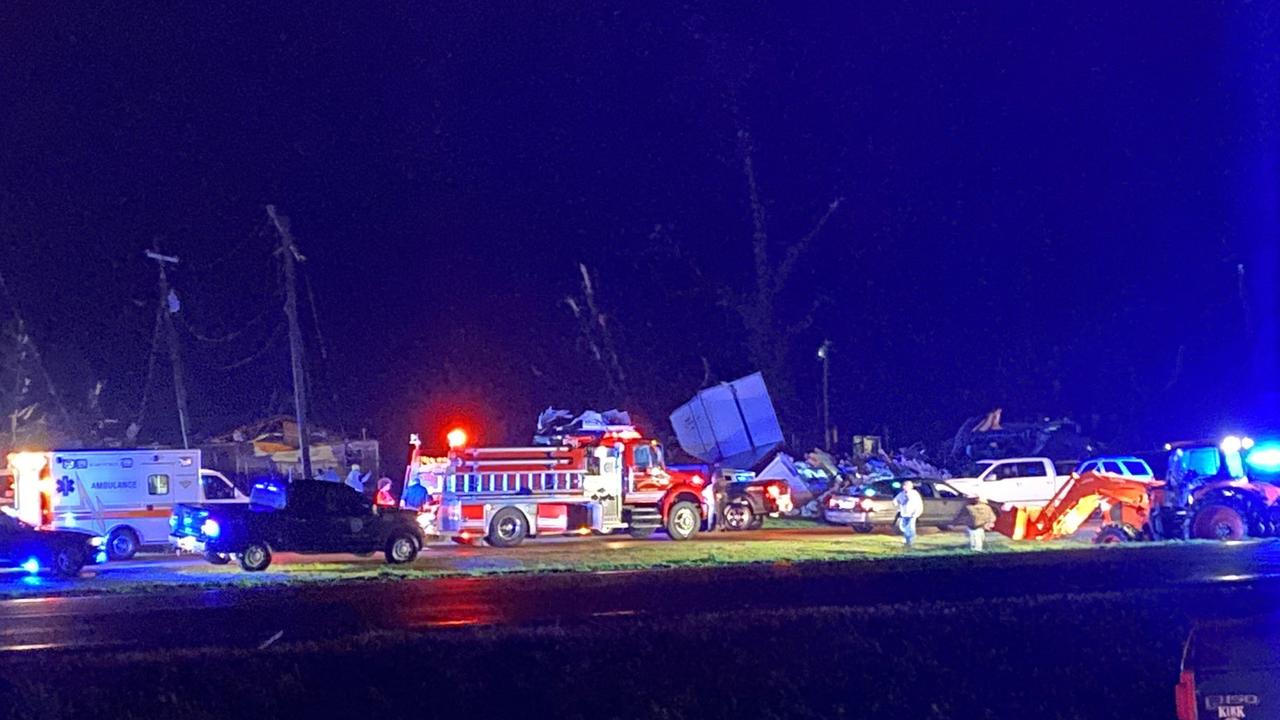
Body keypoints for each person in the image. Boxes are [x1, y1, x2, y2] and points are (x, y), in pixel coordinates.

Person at [893, 480, 924, 548]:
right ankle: (908, 540)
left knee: (910, 528)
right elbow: (895, 501)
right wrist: (897, 503)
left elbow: (919, 504)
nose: (905, 487)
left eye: (907, 485)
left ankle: (910, 542)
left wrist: (916, 513)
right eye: (904, 485)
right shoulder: (901, 494)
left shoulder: (914, 494)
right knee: (903, 527)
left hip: (912, 515)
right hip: (904, 514)